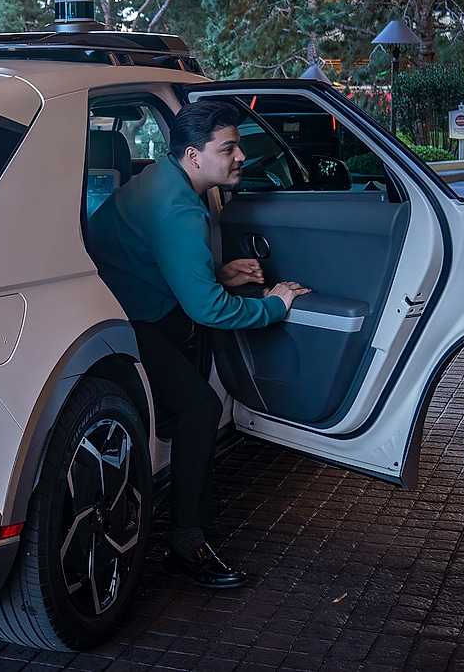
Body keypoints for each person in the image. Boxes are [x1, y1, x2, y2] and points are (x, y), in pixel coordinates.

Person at [85, 101, 310, 588]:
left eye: (239, 146)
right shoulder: (179, 210)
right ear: (193, 154)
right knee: (199, 409)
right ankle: (187, 546)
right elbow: (207, 310)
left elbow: (160, 262)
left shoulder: (165, 178)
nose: (241, 157)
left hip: (131, 298)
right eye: (227, 148)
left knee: (192, 404)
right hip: (127, 318)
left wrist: (218, 275)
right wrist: (275, 306)